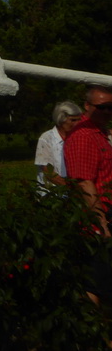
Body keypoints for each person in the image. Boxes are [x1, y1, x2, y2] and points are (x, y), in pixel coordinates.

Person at [64, 84, 112, 307]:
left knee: (104, 279)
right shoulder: (83, 135)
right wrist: (101, 222)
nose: (106, 112)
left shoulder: (100, 133)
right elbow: (84, 182)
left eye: (111, 107)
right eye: (101, 107)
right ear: (87, 106)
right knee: (96, 282)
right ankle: (90, 336)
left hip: (105, 211)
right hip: (96, 215)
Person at [35, 101, 82, 185]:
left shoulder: (79, 137)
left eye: (79, 120)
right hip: (52, 192)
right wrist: (69, 188)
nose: (77, 123)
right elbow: (47, 171)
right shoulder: (46, 138)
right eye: (73, 120)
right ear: (61, 119)